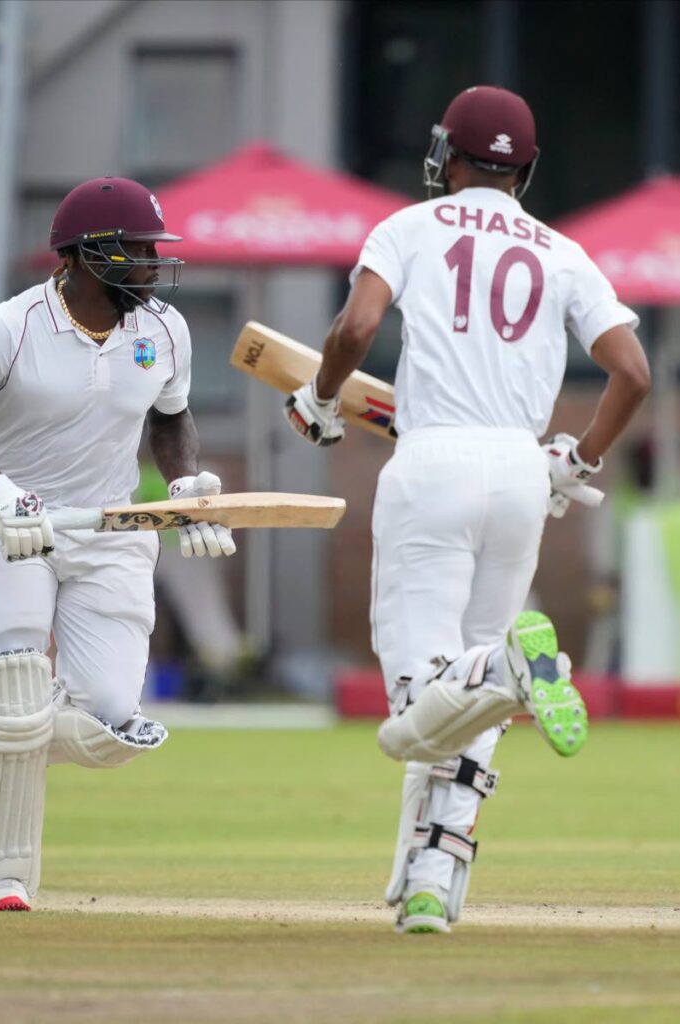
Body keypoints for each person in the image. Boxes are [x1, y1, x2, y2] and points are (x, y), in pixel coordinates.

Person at [283, 86, 650, 934]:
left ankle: (508, 670)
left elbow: (354, 325)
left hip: (432, 462)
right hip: (522, 471)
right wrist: (577, 459)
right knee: (464, 706)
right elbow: (631, 372)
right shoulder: (561, 251)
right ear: (524, 168)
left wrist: (320, 398)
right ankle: (431, 883)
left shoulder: (408, 227)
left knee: (414, 715)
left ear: (446, 153)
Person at [0, 176, 236, 912]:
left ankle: (1, 732)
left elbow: (170, 421)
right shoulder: (7, 327)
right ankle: (3, 882)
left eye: (155, 249)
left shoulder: (163, 330)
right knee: (16, 686)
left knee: (115, 726)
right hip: (13, 529)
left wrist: (182, 490)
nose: (153, 263)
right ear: (84, 256)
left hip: (111, 533)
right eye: (138, 250)